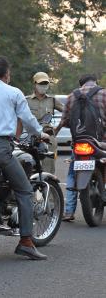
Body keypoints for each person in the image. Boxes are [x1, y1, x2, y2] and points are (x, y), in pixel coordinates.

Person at [0, 56, 50, 260]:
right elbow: (27, 119)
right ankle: (26, 242)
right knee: (24, 190)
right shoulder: (13, 92)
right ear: (7, 74)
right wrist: (41, 133)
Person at [56, 74, 106, 221]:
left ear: (81, 84)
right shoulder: (103, 93)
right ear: (95, 82)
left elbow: (64, 121)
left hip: (80, 144)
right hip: (102, 143)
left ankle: (69, 211)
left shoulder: (72, 96)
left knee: (72, 173)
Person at [26, 72, 63, 174]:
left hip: (48, 136)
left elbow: (67, 112)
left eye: (45, 84)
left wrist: (58, 128)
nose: (43, 86)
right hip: (31, 137)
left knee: (48, 167)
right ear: (35, 84)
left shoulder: (52, 100)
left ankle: (49, 187)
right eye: (41, 83)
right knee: (29, 164)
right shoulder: (26, 100)